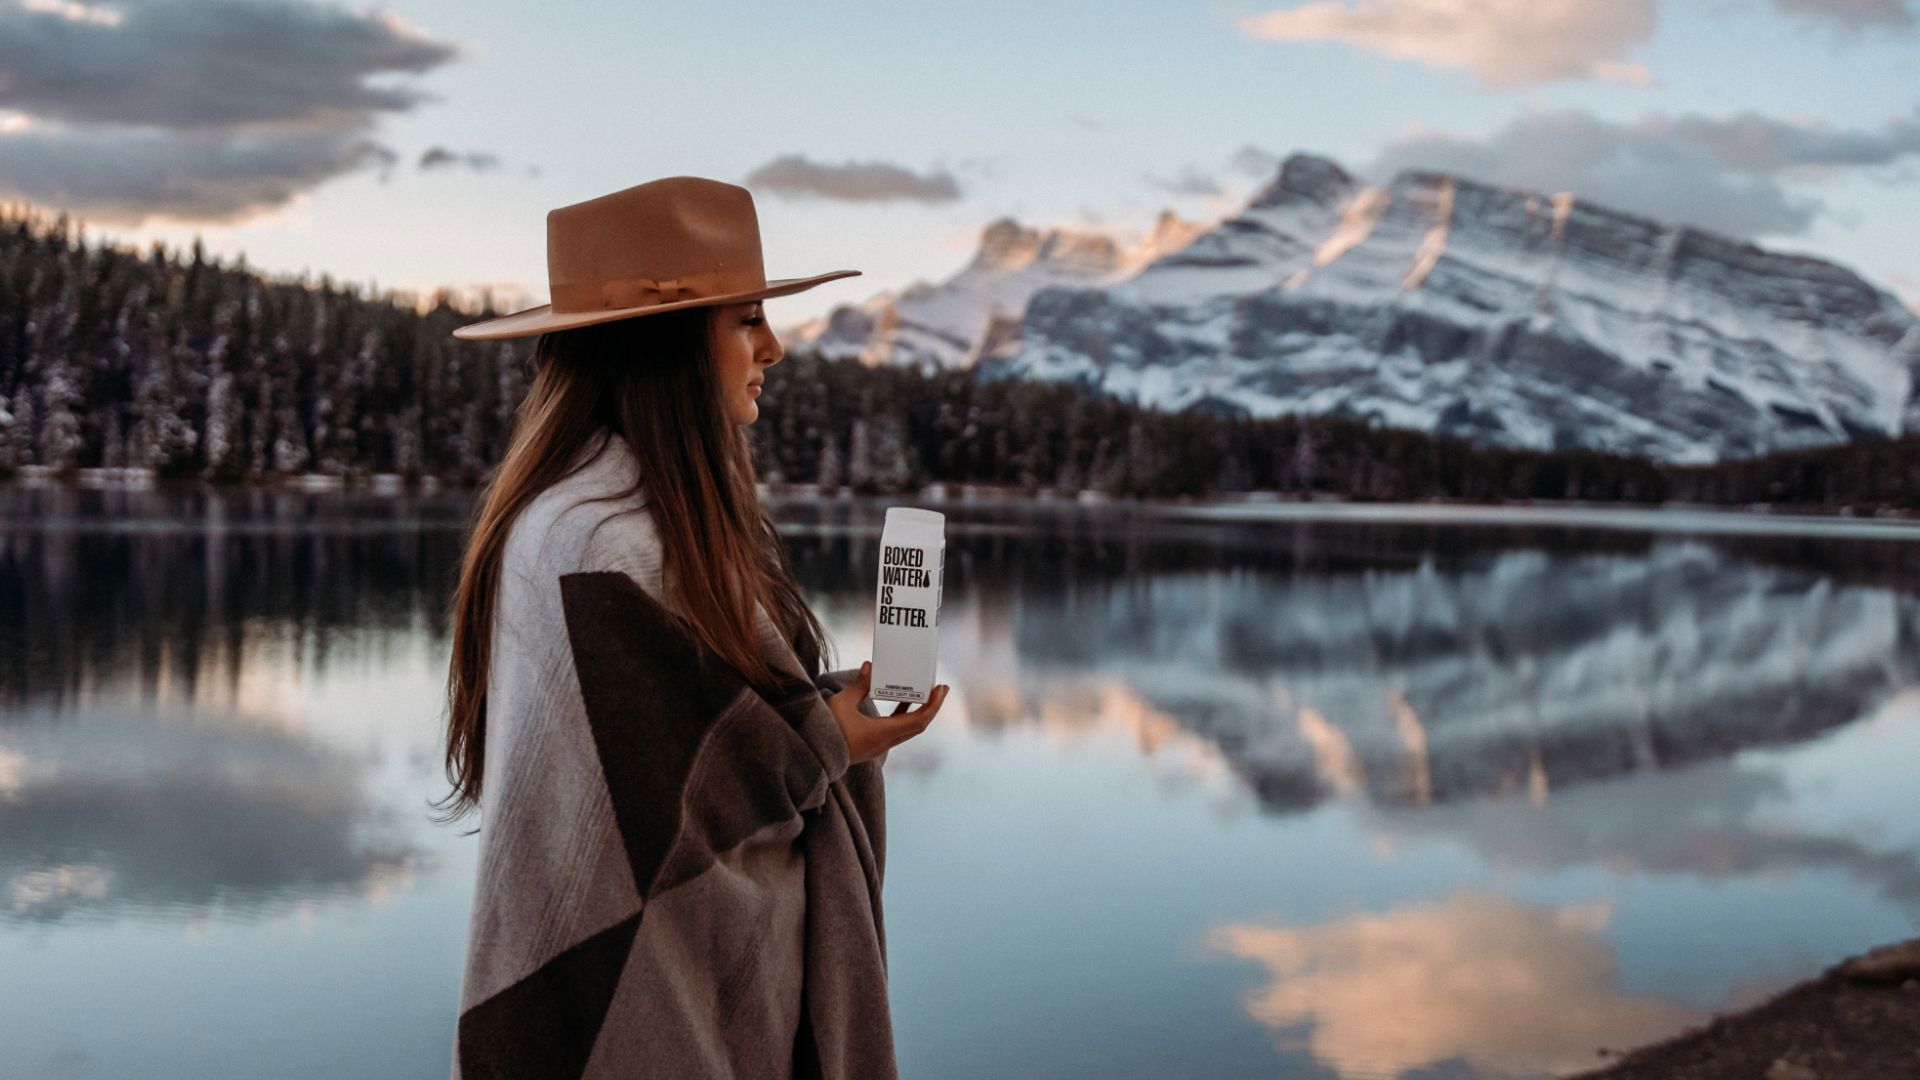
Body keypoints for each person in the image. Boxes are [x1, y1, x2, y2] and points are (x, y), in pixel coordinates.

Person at [432, 176, 948, 1079]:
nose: (774, 347)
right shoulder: (603, 541)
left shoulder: (597, 517)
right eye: (746, 319)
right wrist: (828, 741)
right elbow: (661, 813)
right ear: (668, 345)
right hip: (635, 1015)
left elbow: (680, 752)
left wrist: (826, 724)